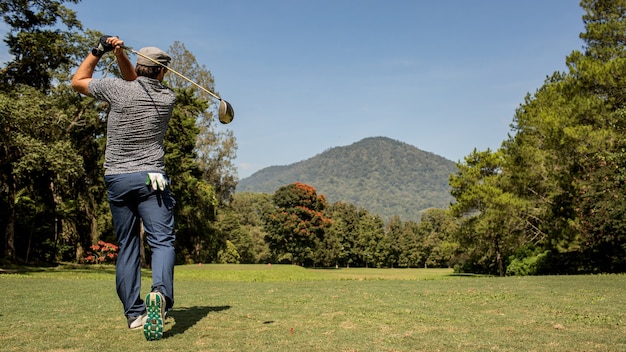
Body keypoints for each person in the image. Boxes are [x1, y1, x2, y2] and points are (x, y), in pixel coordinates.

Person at [72, 35, 176, 341]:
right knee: (161, 242)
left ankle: (134, 314)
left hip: (117, 179)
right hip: (151, 178)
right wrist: (120, 56)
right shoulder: (167, 98)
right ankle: (160, 296)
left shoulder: (117, 90)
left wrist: (101, 50)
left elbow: (78, 80)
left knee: (128, 245)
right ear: (162, 72)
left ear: (139, 66)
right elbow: (137, 82)